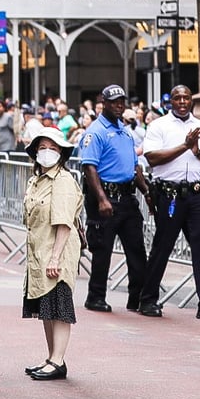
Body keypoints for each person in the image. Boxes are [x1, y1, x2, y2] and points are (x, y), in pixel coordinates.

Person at [137, 85, 200, 321]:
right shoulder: (159, 126)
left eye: (186, 97)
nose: (183, 101)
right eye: (178, 98)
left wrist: (197, 152)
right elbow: (152, 157)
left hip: (196, 196)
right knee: (162, 248)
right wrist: (184, 146)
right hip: (170, 196)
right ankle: (148, 300)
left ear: (192, 101)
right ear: (171, 102)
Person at [79, 84, 150, 314]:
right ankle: (95, 296)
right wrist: (101, 199)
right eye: (114, 102)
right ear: (104, 103)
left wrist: (146, 192)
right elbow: (89, 168)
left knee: (137, 251)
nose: (119, 105)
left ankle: (137, 298)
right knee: (102, 251)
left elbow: (134, 166)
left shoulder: (124, 130)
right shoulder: (96, 131)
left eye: (122, 101)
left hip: (127, 198)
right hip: (106, 197)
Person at [22, 128, 82, 380]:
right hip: (39, 250)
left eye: (53, 148)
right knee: (46, 307)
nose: (47, 152)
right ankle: (52, 358)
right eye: (43, 147)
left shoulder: (63, 181)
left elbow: (64, 223)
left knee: (59, 307)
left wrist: (56, 257)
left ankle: (58, 360)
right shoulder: (35, 181)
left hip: (57, 250)